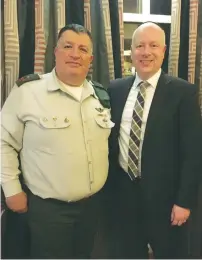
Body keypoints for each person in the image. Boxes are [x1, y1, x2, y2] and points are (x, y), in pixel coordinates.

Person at [1, 23, 114, 259]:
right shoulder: (28, 91)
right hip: (48, 210)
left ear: (91, 58)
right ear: (56, 51)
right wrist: (11, 190)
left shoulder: (100, 96)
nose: (75, 54)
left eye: (83, 49)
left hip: (91, 207)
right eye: (68, 46)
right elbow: (4, 142)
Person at [106, 22, 202, 259]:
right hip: (124, 199)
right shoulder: (115, 89)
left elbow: (193, 152)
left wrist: (184, 201)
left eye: (153, 45)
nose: (146, 52)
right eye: (139, 45)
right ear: (132, 51)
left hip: (168, 202)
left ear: (164, 50)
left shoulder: (183, 92)